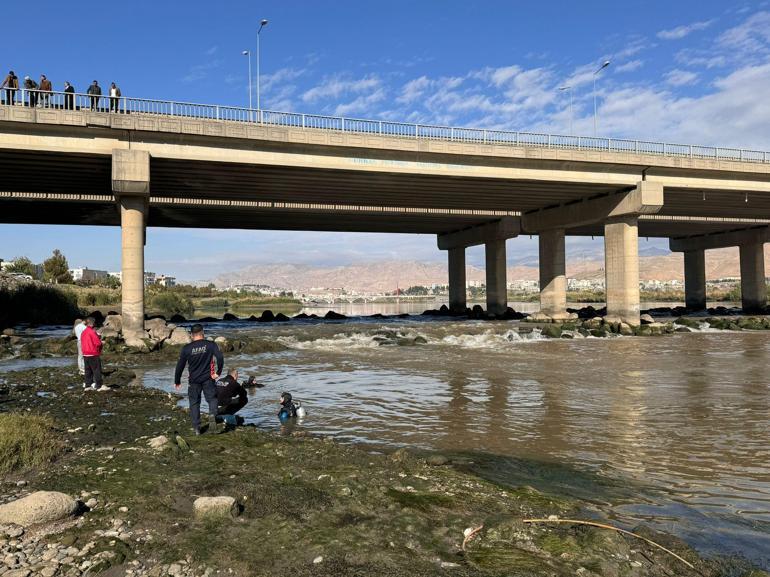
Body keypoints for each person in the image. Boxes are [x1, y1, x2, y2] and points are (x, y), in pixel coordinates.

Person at [174, 324, 224, 435]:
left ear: (191, 335)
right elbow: (220, 357)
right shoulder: (211, 345)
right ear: (203, 333)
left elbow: (180, 365)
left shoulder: (187, 348)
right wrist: (218, 372)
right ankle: (212, 415)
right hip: (208, 379)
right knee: (212, 399)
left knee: (194, 403)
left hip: (194, 381)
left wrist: (177, 380)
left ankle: (197, 428)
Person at [81, 317, 106, 391]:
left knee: (88, 370)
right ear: (93, 324)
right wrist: (102, 342)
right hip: (93, 353)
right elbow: (97, 343)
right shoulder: (92, 332)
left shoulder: (84, 332)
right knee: (97, 370)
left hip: (85, 354)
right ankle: (99, 386)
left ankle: (88, 386)